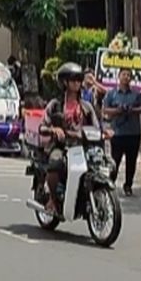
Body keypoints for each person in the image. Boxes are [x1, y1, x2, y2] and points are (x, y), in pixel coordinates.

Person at [43, 62, 101, 214]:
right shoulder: (55, 105)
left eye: (79, 79)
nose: (77, 83)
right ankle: (53, 200)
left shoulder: (87, 106)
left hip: (83, 147)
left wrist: (105, 132)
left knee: (108, 164)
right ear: (64, 82)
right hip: (61, 146)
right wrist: (53, 129)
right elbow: (42, 126)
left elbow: (97, 127)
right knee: (55, 162)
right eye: (73, 79)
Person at [102, 68, 141, 196]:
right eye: (124, 74)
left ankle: (128, 185)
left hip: (133, 132)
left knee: (131, 161)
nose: (126, 77)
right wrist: (118, 110)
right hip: (117, 133)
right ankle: (111, 183)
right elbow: (105, 110)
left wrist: (132, 110)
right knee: (114, 161)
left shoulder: (136, 94)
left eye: (129, 75)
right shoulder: (111, 94)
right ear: (119, 76)